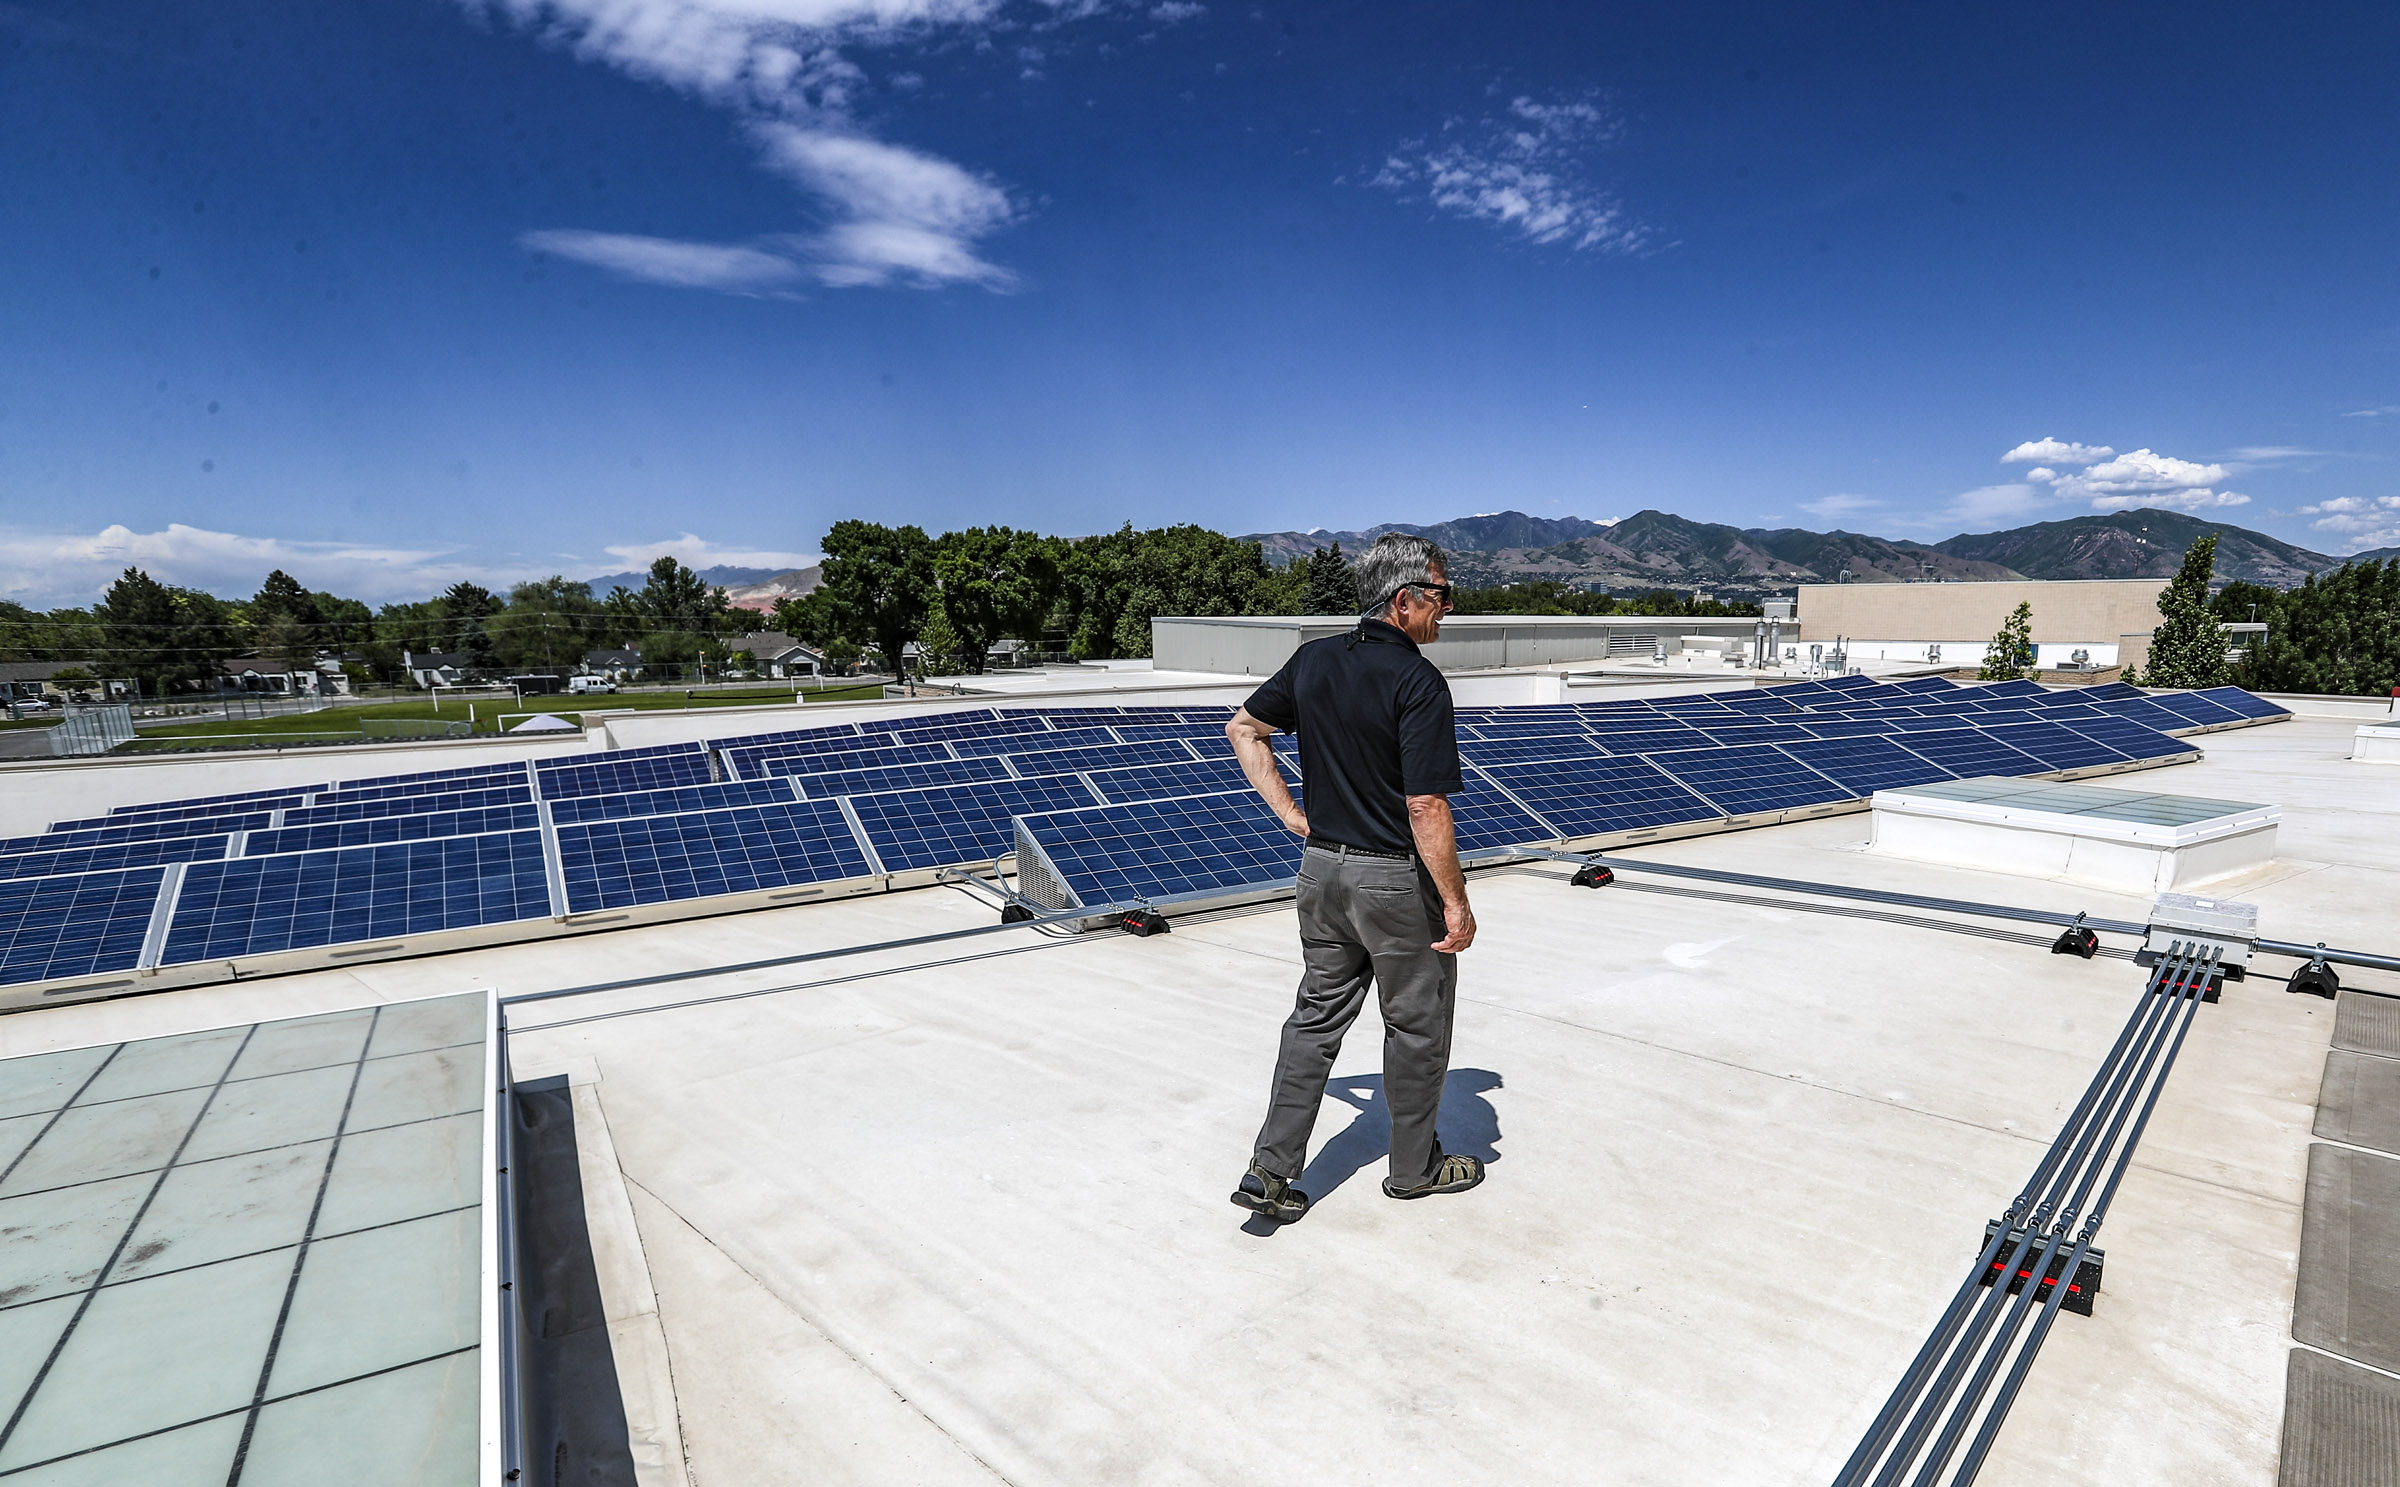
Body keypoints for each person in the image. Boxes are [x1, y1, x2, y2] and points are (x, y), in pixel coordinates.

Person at [1224, 532, 1482, 1224]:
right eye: (1442, 595)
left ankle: (1270, 1169)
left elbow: (1244, 728)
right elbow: (1425, 805)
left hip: (1321, 874)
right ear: (1404, 600)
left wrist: (1291, 815)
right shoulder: (1417, 680)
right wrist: (1456, 903)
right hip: (1393, 883)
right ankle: (1413, 1169)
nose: (1447, 610)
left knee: (1314, 1019)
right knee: (1416, 1025)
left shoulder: (1313, 660)